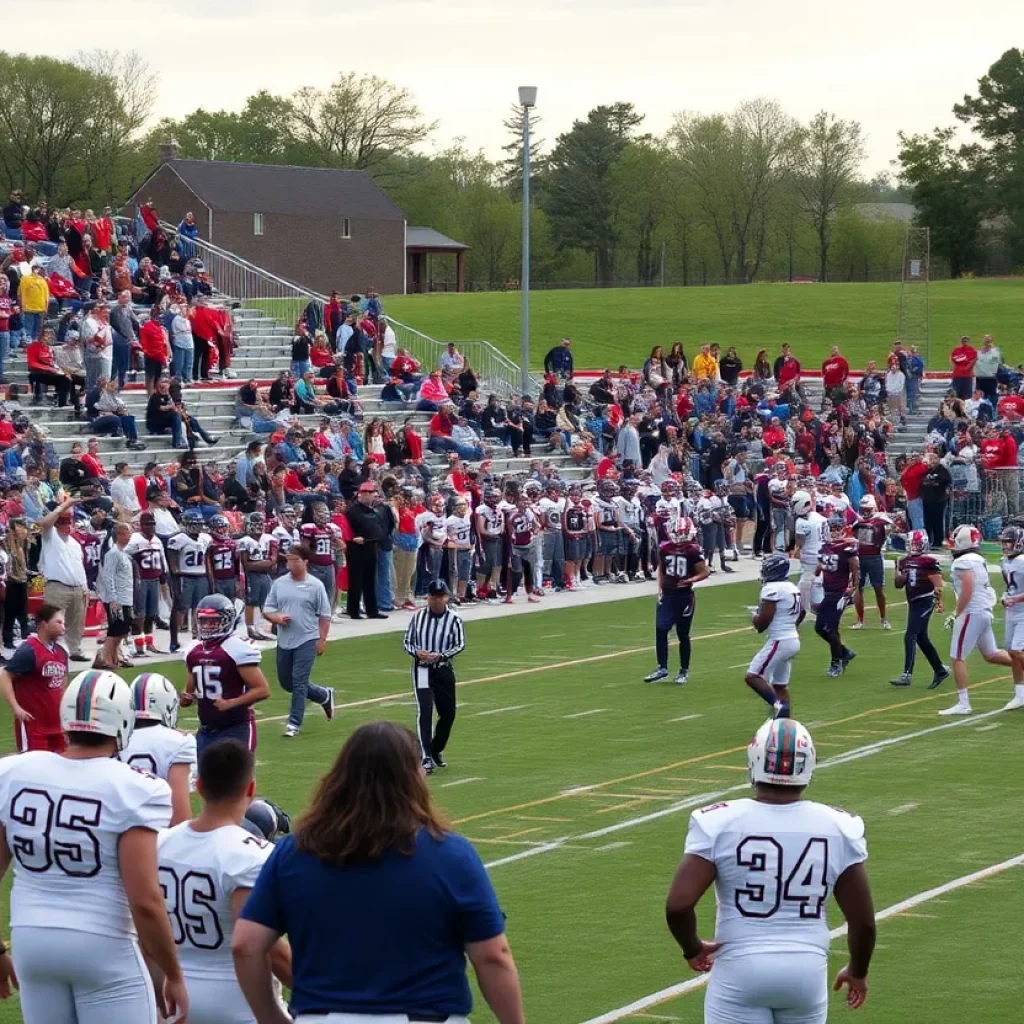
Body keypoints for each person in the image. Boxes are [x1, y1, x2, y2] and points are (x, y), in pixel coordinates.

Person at [233, 720, 522, 1024]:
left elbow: (246, 945)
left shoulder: (293, 852)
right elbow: (492, 956)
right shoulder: (451, 854)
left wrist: (270, 1017)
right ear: (413, 778)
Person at [0, 669, 189, 1024]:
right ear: (122, 720)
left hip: (30, 941)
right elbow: (145, 900)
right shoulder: (135, 788)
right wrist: (173, 974)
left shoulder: (14, 771)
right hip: (102, 944)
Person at [666, 717, 876, 1024]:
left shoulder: (720, 821)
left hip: (740, 968)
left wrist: (693, 948)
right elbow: (863, 923)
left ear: (754, 761)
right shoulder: (837, 825)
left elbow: (678, 905)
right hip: (806, 970)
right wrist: (858, 970)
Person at [159, 740, 293, 1024]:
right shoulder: (252, 854)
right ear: (251, 789)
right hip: (238, 1002)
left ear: (200, 785)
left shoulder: (160, 843)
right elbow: (265, 947)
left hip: (173, 998)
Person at [181, 594, 271, 754]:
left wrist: (231, 703)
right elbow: (189, 692)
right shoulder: (193, 650)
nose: (208, 625)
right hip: (206, 730)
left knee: (239, 778)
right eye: (203, 621)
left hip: (236, 727)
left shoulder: (236, 648)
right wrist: (187, 697)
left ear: (227, 620)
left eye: (214, 621)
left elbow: (263, 689)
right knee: (202, 778)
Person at [262, 543, 336, 739]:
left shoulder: (315, 585)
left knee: (299, 680)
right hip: (285, 639)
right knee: (287, 682)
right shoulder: (279, 584)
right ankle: (323, 695)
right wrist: (276, 619)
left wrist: (322, 639)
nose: (291, 564)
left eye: (295, 560)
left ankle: (294, 723)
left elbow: (324, 615)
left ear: (305, 562)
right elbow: (268, 609)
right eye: (288, 560)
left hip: (307, 638)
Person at [939, 524, 1013, 716]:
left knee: (957, 657)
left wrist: (956, 613)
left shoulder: (963, 562)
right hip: (984, 611)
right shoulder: (977, 559)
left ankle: (963, 703)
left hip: (972, 612)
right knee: (991, 654)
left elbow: (968, 589)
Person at [402, 580, 466, 772]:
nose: (438, 601)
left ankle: (435, 748)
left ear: (446, 597)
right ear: (428, 598)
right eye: (434, 597)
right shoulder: (418, 617)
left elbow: (460, 644)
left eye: (441, 597)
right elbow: (406, 642)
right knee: (425, 709)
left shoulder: (454, 619)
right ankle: (426, 756)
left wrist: (442, 655)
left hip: (443, 668)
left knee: (448, 714)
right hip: (422, 669)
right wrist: (417, 652)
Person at [120, 672, 195, 826]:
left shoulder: (113, 739)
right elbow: (180, 817)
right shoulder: (180, 742)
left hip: (120, 830)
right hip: (160, 832)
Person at [644, 516, 708, 685]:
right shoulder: (665, 548)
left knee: (683, 634)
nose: (679, 537)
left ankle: (683, 670)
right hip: (668, 595)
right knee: (661, 629)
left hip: (684, 596)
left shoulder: (693, 550)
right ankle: (662, 668)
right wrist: (660, 590)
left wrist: (689, 580)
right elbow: (662, 570)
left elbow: (704, 572)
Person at [0, 603, 69, 753]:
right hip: (34, 727)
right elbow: (5, 675)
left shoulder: (62, 652)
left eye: (63, 623)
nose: (63, 627)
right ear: (43, 624)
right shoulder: (29, 651)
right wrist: (16, 708)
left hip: (58, 726)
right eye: (58, 622)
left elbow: (63, 681)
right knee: (35, 770)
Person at [746, 553, 804, 718]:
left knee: (753, 676)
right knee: (779, 685)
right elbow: (803, 612)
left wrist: (755, 618)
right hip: (792, 639)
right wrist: (791, 627)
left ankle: (779, 707)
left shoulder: (772, 589)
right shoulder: (791, 587)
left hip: (780, 640)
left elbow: (762, 622)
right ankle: (785, 722)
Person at [891, 530, 950, 689]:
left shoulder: (929, 561)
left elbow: (938, 583)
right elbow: (898, 584)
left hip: (925, 600)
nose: (914, 547)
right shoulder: (904, 561)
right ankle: (940, 670)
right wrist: (897, 568)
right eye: (912, 544)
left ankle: (907, 675)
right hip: (913, 603)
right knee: (921, 638)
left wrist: (939, 602)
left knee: (910, 635)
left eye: (917, 544)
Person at [37, 498, 90, 662]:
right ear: (57, 524)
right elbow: (45, 523)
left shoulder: (74, 543)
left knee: (76, 622)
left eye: (69, 523)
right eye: (63, 523)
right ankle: (47, 651)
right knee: (52, 622)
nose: (68, 526)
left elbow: (79, 566)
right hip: (57, 586)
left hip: (77, 587)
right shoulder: (50, 536)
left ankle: (75, 650)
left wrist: (85, 587)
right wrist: (64, 506)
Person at [814, 515, 859, 678]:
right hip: (827, 592)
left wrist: (852, 588)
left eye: (837, 528)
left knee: (831, 628)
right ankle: (845, 652)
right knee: (819, 628)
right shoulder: (825, 547)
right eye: (831, 529)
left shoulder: (848, 547)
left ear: (843, 529)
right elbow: (820, 568)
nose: (834, 532)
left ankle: (836, 662)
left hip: (840, 592)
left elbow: (855, 569)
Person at [345, 481, 388, 620]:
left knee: (370, 580)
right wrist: (353, 538)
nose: (370, 495)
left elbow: (380, 527)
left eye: (371, 493)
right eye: (367, 493)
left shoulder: (374, 511)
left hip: (371, 546)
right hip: (357, 548)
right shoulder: (352, 511)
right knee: (356, 580)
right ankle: (353, 610)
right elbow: (347, 529)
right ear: (360, 494)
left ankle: (372, 609)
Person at [97, 521, 135, 670]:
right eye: (127, 532)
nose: (130, 535)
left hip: (126, 597)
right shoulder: (112, 554)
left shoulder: (124, 554)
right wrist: (113, 598)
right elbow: (108, 576)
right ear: (119, 534)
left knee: (123, 629)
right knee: (115, 630)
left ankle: (114, 656)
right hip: (117, 598)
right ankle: (107, 659)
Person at [850, 494, 891, 631]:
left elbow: (895, 527)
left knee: (878, 588)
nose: (866, 512)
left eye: (868, 509)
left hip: (875, 557)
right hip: (860, 557)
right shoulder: (857, 521)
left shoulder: (881, 519)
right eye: (864, 509)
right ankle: (860, 619)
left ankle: (884, 619)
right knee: (858, 588)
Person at [237, 512, 278, 642]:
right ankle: (250, 629)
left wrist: (258, 564)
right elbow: (247, 565)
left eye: (260, 524)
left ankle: (264, 627)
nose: (258, 527)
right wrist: (265, 564)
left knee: (265, 602)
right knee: (251, 601)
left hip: (264, 575)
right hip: (252, 576)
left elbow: (273, 562)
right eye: (255, 524)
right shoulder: (245, 541)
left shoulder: (270, 538)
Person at [998, 525, 1024, 712]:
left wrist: (1016, 598)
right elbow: (1010, 586)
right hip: (1012, 611)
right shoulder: (1004, 562)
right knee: (1011, 651)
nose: (1006, 545)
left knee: (1017, 650)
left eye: (1009, 541)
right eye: (1004, 541)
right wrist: (1005, 597)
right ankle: (1020, 694)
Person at [949, 335, 977, 400]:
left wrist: (967, 369)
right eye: (963, 340)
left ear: (969, 341)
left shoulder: (972, 351)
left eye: (966, 340)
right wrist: (955, 368)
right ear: (961, 341)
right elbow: (951, 359)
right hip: (957, 376)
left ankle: (966, 409)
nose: (964, 342)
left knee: (967, 397)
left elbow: (974, 361)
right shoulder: (956, 350)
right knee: (955, 396)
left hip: (967, 376)